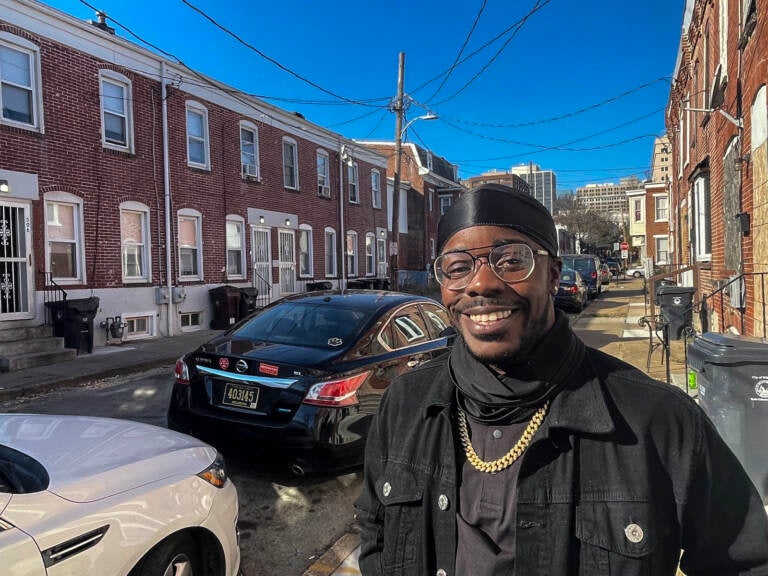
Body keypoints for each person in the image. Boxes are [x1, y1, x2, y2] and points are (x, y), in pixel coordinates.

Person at [354, 183, 768, 576]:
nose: (480, 284)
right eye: (458, 267)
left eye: (512, 260)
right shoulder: (406, 403)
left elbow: (745, 562)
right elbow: (375, 531)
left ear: (553, 275)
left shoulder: (658, 422)